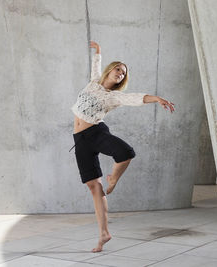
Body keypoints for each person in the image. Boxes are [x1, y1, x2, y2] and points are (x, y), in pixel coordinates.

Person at [69, 41, 175, 252]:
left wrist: (157, 99)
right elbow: (96, 67)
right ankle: (104, 233)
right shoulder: (93, 83)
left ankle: (114, 178)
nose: (120, 73)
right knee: (94, 187)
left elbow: (135, 98)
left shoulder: (114, 97)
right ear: (110, 70)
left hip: (96, 133)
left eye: (123, 73)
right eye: (118, 69)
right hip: (79, 141)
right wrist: (98, 50)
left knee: (125, 153)